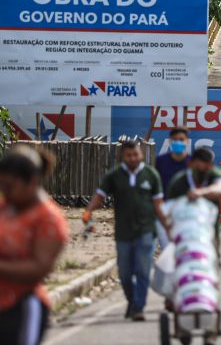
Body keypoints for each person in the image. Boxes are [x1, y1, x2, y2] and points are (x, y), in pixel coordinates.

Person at [83, 141, 169, 321]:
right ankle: (132, 300)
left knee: (143, 270)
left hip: (146, 231)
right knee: (125, 272)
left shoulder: (151, 175)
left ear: (141, 154)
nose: (133, 158)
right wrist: (88, 211)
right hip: (123, 232)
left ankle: (138, 307)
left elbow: (158, 205)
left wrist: (168, 227)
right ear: (122, 156)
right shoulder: (114, 175)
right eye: (129, 155)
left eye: (136, 154)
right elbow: (100, 196)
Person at [0, 146, 68, 345]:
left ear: (33, 181)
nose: (5, 192)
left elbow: (39, 268)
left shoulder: (49, 220)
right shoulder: (5, 207)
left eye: (10, 186)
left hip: (19, 308)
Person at [166, 148, 221, 252]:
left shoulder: (214, 174)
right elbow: (169, 209)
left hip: (209, 233)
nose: (205, 169)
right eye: (199, 166)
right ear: (191, 163)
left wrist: (201, 192)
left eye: (208, 166)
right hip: (184, 233)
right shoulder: (179, 181)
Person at [155, 127, 190, 248]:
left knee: (183, 247)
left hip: (186, 212)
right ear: (170, 141)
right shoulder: (160, 161)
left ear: (187, 141)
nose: (178, 142)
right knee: (168, 248)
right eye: (175, 139)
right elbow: (155, 187)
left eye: (181, 139)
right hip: (164, 211)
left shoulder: (192, 163)